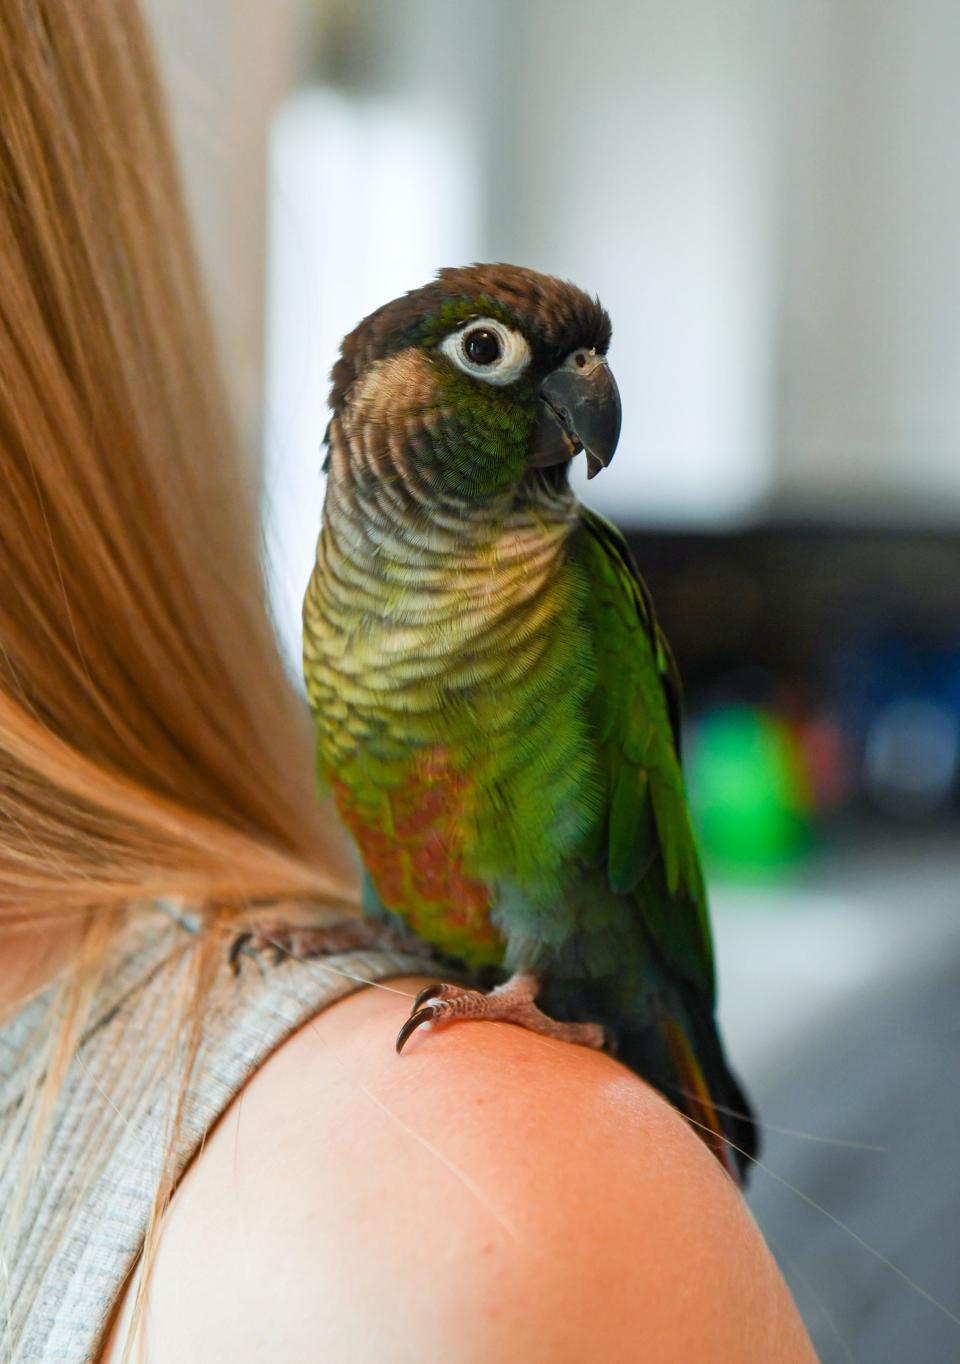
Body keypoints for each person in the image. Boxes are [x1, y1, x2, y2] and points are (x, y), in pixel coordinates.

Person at [0, 2, 816, 1360]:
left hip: (606, 954)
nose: (575, 394)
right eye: (493, 356)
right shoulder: (335, 594)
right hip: (422, 943)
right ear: (370, 397)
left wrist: (526, 1003)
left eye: (572, 371)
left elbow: (624, 873)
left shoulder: (582, 594)